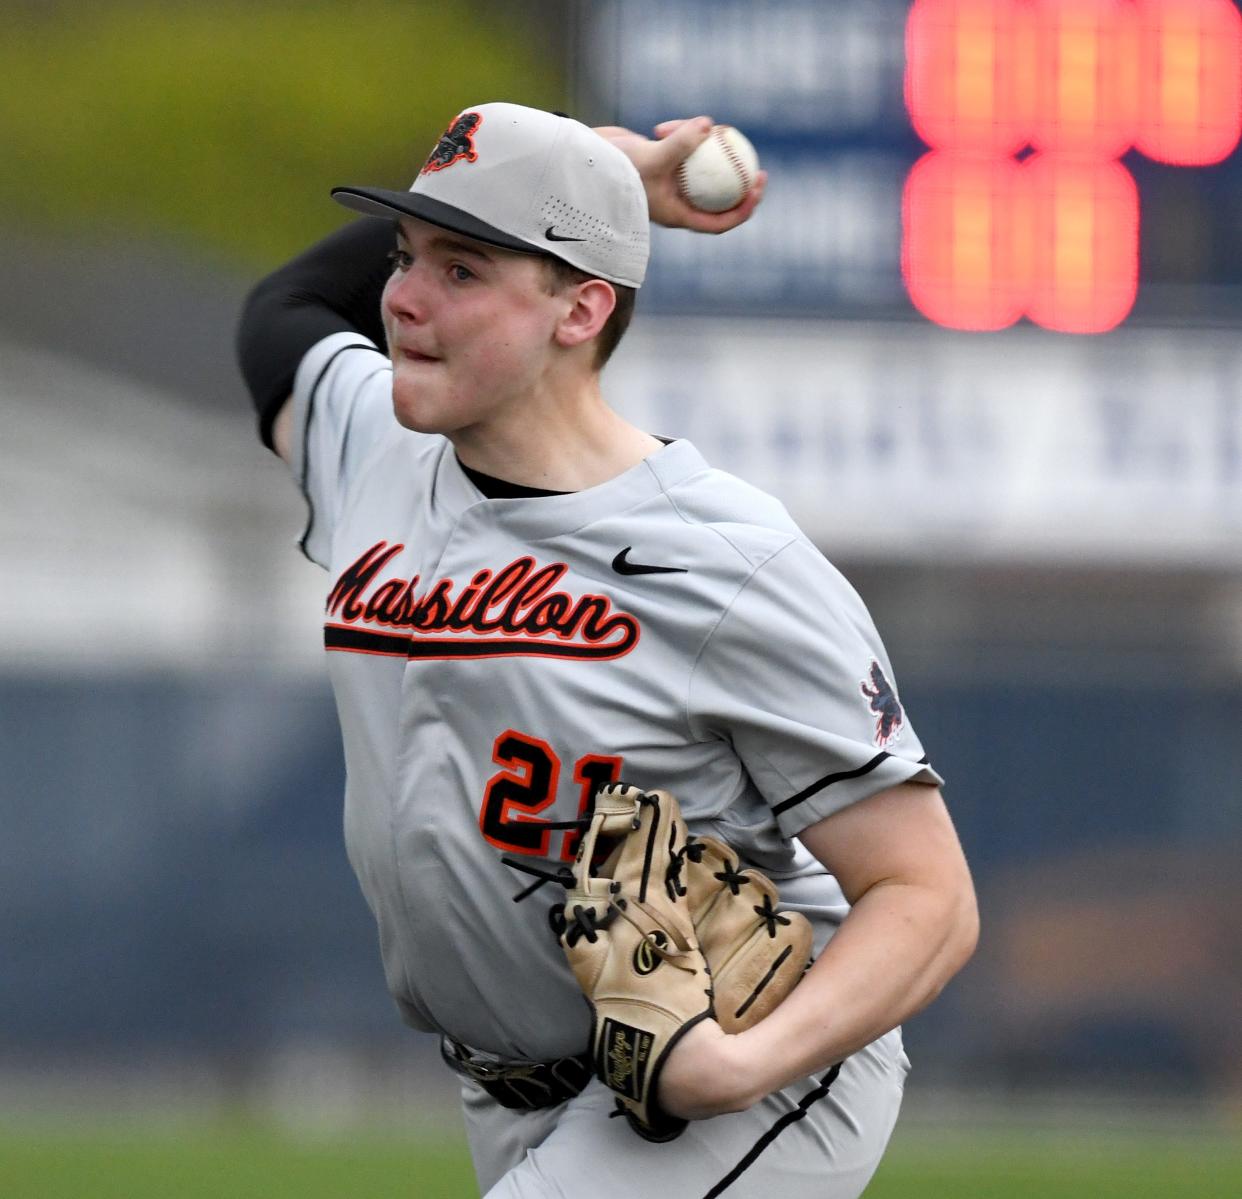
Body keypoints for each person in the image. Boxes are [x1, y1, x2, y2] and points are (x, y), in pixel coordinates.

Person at [236, 101, 978, 1198]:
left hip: (743, 1070)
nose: (400, 298)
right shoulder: (376, 448)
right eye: (404, 256)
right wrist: (612, 168)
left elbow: (928, 896)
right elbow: (282, 311)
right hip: (503, 1085)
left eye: (463, 269)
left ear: (581, 307)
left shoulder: (730, 562)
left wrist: (738, 1065)